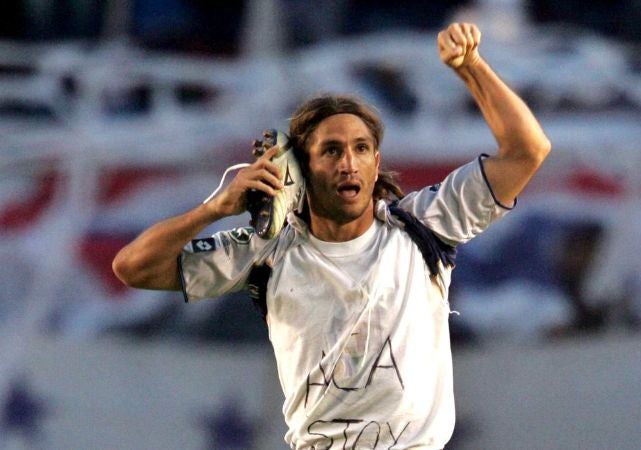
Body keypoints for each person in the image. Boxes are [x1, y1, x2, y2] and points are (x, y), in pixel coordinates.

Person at [112, 22, 550, 449]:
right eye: (331, 150)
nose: (348, 163)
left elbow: (527, 151)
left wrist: (470, 66)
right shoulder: (269, 250)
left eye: (361, 149)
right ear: (302, 168)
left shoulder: (422, 226)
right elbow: (133, 267)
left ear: (376, 164)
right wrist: (215, 208)